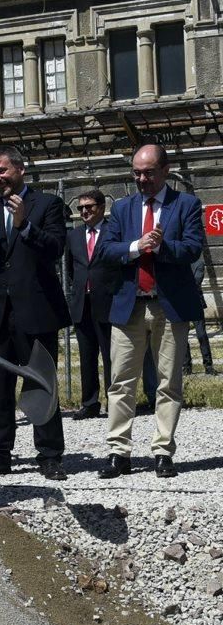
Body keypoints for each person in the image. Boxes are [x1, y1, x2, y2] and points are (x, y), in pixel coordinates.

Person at [97, 143, 204, 479]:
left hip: (168, 306)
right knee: (120, 382)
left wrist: (162, 246)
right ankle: (118, 452)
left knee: (168, 382)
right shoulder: (124, 208)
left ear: (165, 171)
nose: (141, 178)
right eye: (136, 172)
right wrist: (134, 246)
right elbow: (105, 250)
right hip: (128, 306)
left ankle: (162, 452)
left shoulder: (185, 204)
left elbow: (192, 247)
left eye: (148, 172)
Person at [0, 145, 70, 481]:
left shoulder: (48, 204)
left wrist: (25, 224)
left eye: (2, 171)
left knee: (41, 381)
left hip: (36, 311)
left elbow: (55, 249)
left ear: (20, 170)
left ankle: (50, 453)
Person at [65, 189, 117, 420]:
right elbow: (70, 268)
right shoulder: (74, 236)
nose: (84, 211)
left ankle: (114, 401)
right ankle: (90, 403)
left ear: (102, 207)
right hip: (81, 304)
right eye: (81, 208)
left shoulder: (113, 231)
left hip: (107, 303)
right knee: (86, 357)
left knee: (110, 356)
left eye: (89, 207)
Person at [183, 255, 217, 375]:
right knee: (183, 337)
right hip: (181, 304)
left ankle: (208, 366)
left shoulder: (198, 262)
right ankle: (186, 367)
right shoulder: (178, 263)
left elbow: (197, 281)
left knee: (202, 335)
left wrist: (180, 285)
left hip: (196, 303)